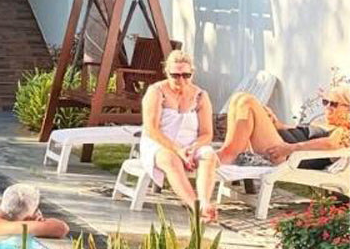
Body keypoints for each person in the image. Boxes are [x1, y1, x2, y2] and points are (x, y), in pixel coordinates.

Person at [139, 50, 219, 221]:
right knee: (171, 159)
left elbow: (207, 133)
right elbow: (151, 129)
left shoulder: (201, 96)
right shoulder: (156, 91)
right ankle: (196, 206)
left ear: (192, 73)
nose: (181, 80)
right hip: (160, 143)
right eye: (175, 75)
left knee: (209, 155)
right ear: (167, 72)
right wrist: (178, 150)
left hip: (191, 144)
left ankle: (204, 201)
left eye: (186, 75)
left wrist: (193, 148)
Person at [218, 84, 350, 168]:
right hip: (281, 145)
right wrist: (275, 123)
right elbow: (294, 131)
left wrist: (290, 148)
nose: (327, 107)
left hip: (283, 154)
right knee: (239, 98)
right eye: (325, 102)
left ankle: (229, 154)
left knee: (247, 102)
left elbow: (330, 143)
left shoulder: (344, 131)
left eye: (334, 104)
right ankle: (229, 151)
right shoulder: (321, 123)